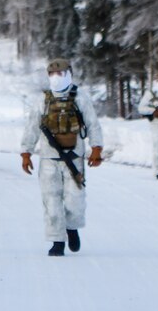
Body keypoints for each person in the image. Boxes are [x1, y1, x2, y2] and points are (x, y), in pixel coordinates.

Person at [21, 58, 105, 256]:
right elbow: (32, 127)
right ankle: (57, 241)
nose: (56, 77)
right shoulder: (42, 100)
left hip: (74, 158)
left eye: (61, 74)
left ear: (69, 74)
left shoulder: (80, 97)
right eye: (52, 74)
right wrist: (26, 152)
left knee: (75, 199)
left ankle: (72, 227)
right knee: (51, 201)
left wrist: (97, 148)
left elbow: (93, 123)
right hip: (49, 159)